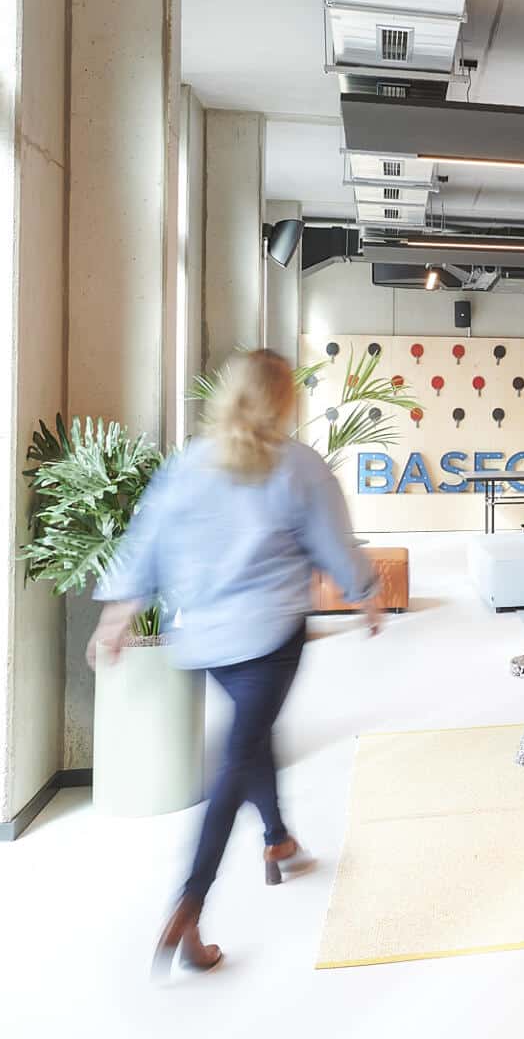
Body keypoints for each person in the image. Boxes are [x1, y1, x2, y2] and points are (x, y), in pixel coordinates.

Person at [89, 348, 380, 981]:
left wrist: (117, 616)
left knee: (252, 733)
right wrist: (364, 594)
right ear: (283, 400)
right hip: (271, 635)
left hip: (203, 639)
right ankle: (189, 903)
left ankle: (276, 836)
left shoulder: (190, 464)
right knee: (239, 752)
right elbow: (333, 540)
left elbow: (149, 538)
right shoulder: (297, 466)